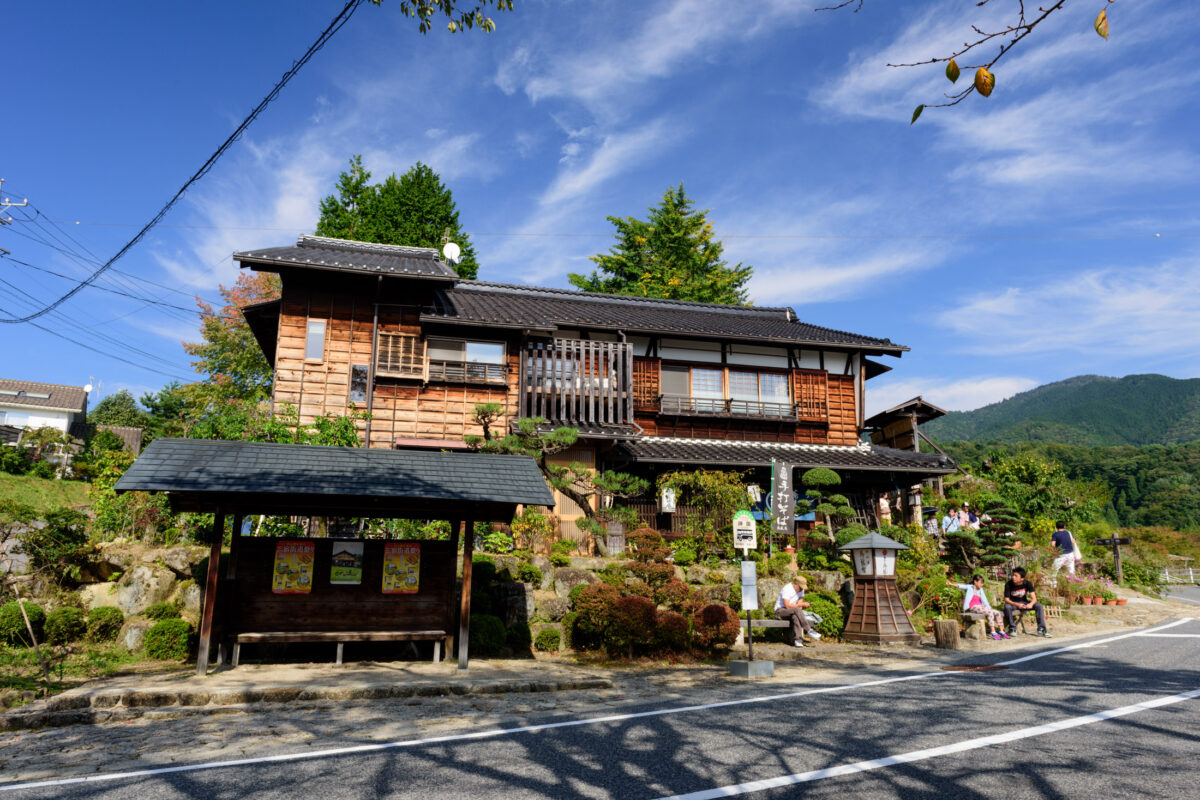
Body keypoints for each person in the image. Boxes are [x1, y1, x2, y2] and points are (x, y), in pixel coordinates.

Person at [953, 574, 1007, 640]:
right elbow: (960, 586)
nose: (982, 584)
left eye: (982, 583)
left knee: (997, 612)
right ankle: (993, 632)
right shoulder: (970, 587)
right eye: (981, 583)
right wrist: (950, 584)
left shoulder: (980, 590)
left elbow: (985, 600)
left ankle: (1001, 631)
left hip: (981, 607)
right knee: (990, 613)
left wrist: (989, 607)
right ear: (975, 581)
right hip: (973, 607)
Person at [1003, 567, 1051, 637]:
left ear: (1022, 578)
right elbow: (1006, 599)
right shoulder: (1008, 584)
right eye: (1013, 575)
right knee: (1007, 606)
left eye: (1016, 576)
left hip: (1024, 603)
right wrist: (1017, 604)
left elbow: (1034, 598)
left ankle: (1041, 629)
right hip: (1014, 604)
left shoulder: (1027, 583)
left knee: (1038, 605)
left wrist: (1030, 604)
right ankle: (1012, 628)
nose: (1013, 577)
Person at [775, 575, 821, 647]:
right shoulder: (787, 589)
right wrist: (802, 605)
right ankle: (809, 630)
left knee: (795, 617)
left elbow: (799, 605)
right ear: (795, 584)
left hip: (792, 611)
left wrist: (802, 605)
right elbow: (787, 605)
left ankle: (798, 640)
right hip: (780, 611)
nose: (801, 589)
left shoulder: (801, 590)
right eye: (800, 587)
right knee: (796, 610)